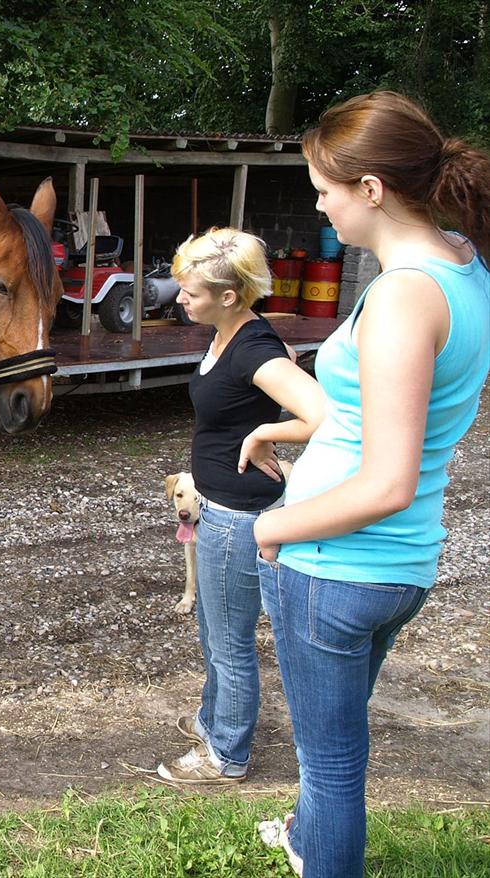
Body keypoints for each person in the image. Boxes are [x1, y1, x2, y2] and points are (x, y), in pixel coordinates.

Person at [252, 91, 490, 876]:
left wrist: (269, 528)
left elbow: (386, 480)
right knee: (336, 749)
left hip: (337, 567)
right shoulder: (463, 262)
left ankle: (322, 852)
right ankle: (305, 836)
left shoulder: (402, 297)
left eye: (324, 188)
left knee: (332, 764)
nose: (318, 204)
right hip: (398, 565)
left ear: (372, 190)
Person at [156, 228, 325, 785]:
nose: (179, 298)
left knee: (229, 640)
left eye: (191, 292)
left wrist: (263, 435)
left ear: (229, 296)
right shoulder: (231, 333)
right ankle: (213, 720)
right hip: (216, 503)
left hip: (236, 516)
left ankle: (227, 754)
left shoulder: (252, 347)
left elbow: (323, 415)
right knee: (212, 627)